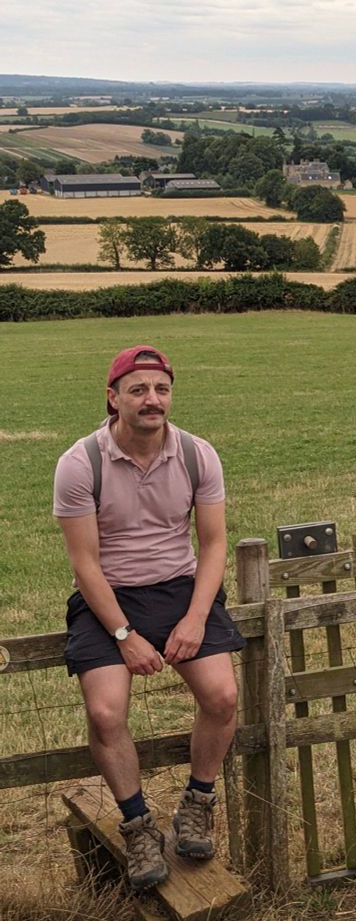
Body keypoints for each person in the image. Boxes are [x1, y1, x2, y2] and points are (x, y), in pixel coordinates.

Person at [53, 346, 245, 891]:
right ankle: (138, 826)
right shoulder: (79, 463)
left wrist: (194, 618)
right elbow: (84, 564)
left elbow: (212, 545)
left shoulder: (197, 455)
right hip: (106, 599)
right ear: (113, 399)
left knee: (223, 697)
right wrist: (124, 635)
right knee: (106, 711)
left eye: (160, 389)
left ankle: (197, 804)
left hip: (181, 591)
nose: (151, 400)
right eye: (137, 390)